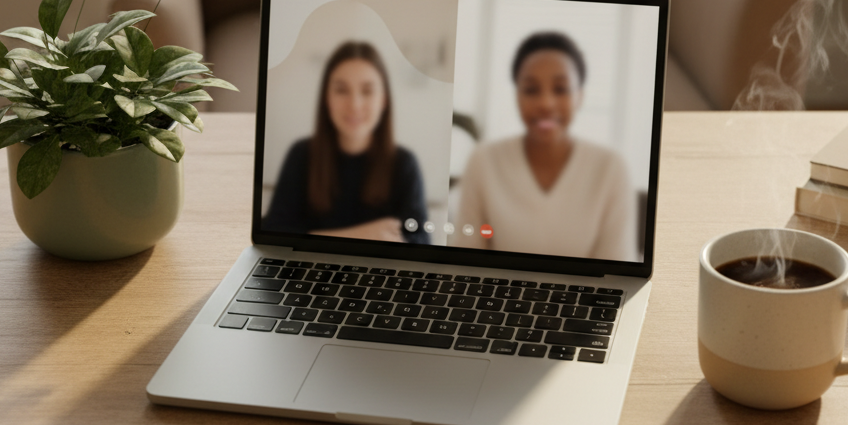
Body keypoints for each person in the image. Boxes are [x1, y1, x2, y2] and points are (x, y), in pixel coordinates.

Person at [451, 32, 636, 260]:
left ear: (580, 96)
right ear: (517, 96)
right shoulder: (483, 160)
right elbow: (468, 258)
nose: (546, 103)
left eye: (561, 89)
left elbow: (616, 267)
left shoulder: (610, 167)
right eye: (531, 90)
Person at [263, 41, 429, 243]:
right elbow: (274, 233)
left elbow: (420, 241)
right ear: (326, 98)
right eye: (341, 90)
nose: (355, 104)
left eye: (367, 91)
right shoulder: (302, 154)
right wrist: (365, 235)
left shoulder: (404, 164)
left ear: (383, 100)